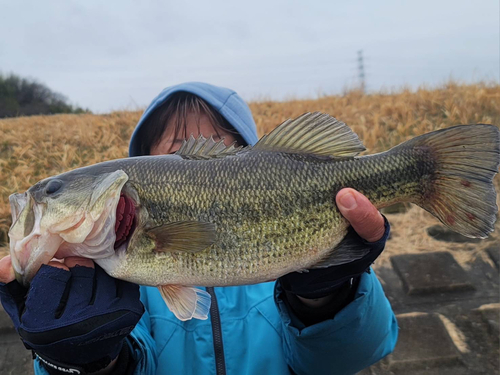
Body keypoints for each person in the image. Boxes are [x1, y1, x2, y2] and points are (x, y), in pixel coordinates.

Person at [0, 82, 398, 375]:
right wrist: (85, 362)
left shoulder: (292, 255)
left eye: (215, 148)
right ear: (145, 167)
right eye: (176, 153)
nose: (194, 159)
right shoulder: (116, 285)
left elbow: (349, 357)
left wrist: (328, 299)